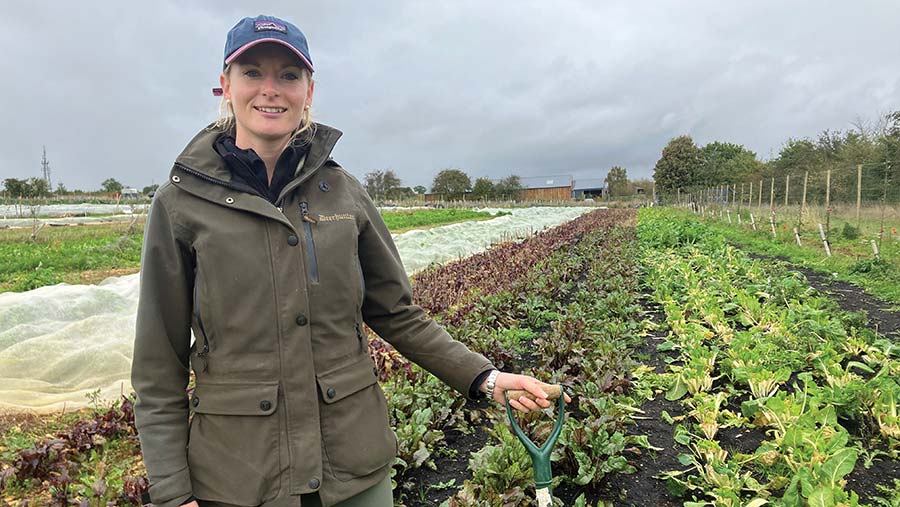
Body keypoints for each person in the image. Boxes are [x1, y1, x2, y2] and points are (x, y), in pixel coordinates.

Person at [131, 14, 570, 507]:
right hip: (239, 477)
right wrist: (172, 493)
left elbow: (396, 311)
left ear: (309, 91)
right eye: (252, 72)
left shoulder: (342, 192)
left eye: (288, 75)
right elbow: (157, 363)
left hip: (352, 468)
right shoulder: (181, 203)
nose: (270, 90)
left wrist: (485, 377)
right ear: (225, 87)